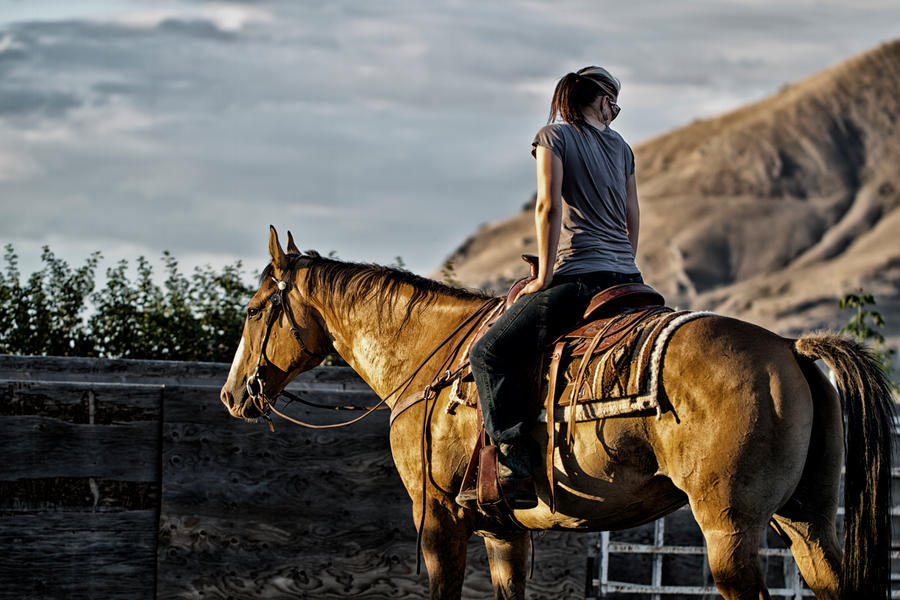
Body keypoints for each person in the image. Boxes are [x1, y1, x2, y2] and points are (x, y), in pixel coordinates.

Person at [468, 66, 643, 508]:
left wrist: (544, 277)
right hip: (629, 279)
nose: (615, 113)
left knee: (487, 352)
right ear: (601, 100)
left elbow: (547, 206)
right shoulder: (622, 149)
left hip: (580, 277)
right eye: (615, 104)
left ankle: (512, 464)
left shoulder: (553, 137)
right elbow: (632, 214)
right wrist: (626, 260)